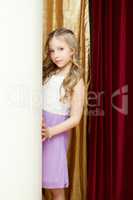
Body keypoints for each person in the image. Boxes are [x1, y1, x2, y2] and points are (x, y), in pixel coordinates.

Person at [42, 27, 85, 200]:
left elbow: (76, 118)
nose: (56, 55)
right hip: (40, 128)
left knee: (55, 186)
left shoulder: (76, 80)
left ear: (72, 50)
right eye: (52, 50)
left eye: (61, 49)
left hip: (55, 132)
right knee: (36, 178)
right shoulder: (48, 73)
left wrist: (51, 131)